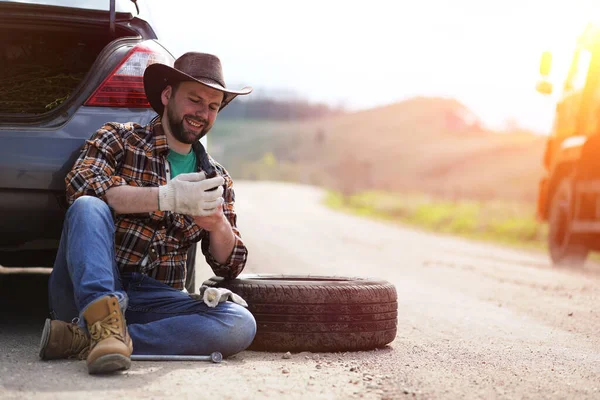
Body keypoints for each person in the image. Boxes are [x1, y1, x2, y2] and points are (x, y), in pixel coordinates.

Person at [38, 52, 256, 375]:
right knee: (88, 206)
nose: (202, 113)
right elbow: (81, 186)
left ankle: (93, 340)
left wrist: (217, 224)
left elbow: (231, 263)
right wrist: (166, 197)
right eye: (194, 100)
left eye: (212, 106)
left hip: (154, 301)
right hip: (88, 290)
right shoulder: (118, 138)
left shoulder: (216, 179)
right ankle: (99, 325)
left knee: (239, 323)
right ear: (167, 95)